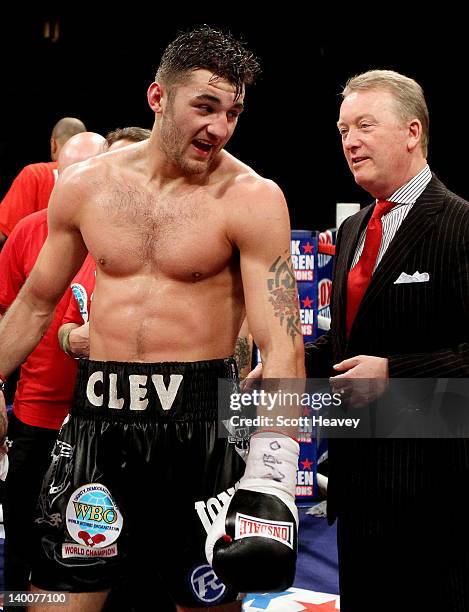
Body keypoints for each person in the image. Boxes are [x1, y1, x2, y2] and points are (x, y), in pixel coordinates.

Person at [0, 26, 304, 612]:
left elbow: (282, 347)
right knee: (58, 602)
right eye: (206, 106)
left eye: (234, 113)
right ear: (157, 97)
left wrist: (271, 476)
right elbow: (37, 302)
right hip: (98, 423)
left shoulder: (252, 197)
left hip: (202, 428)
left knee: (207, 606)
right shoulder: (86, 188)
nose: (219, 127)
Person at [307, 70, 469, 610]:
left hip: (436, 486)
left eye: (365, 126)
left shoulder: (459, 223)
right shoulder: (353, 229)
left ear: (412, 132)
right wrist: (281, 362)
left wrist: (396, 372)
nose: (350, 141)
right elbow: (347, 349)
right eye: (342, 129)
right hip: (357, 481)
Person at [0, 132, 106, 607]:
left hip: (109, 425)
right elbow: (9, 310)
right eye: (68, 175)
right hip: (37, 414)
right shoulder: (28, 232)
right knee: (22, 535)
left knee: (95, 554)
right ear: (54, 176)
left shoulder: (129, 234)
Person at [0, 117, 87, 248]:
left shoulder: (34, 174)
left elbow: (3, 233)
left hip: (37, 264)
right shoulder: (98, 177)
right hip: (90, 265)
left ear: (53, 144)